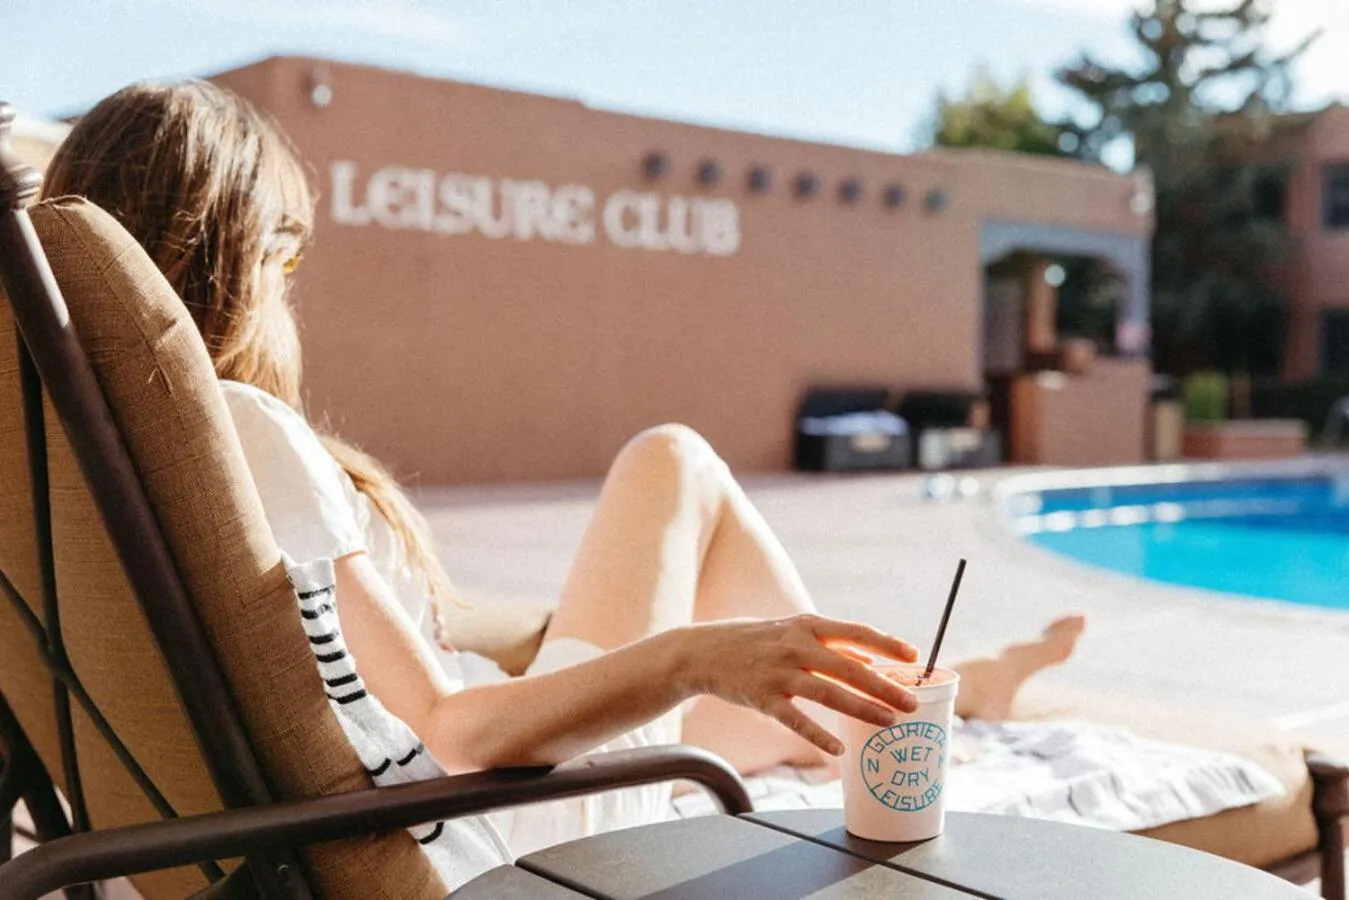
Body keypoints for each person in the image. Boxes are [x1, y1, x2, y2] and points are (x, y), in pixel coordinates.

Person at [41, 81, 1084, 880]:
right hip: (504, 821)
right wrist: (689, 656)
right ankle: (895, 719)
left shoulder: (74, 469)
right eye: (285, 261)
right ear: (221, 258)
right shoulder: (238, 429)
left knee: (747, 698)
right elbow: (458, 728)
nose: (287, 297)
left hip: (405, 795)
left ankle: (952, 691)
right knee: (671, 461)